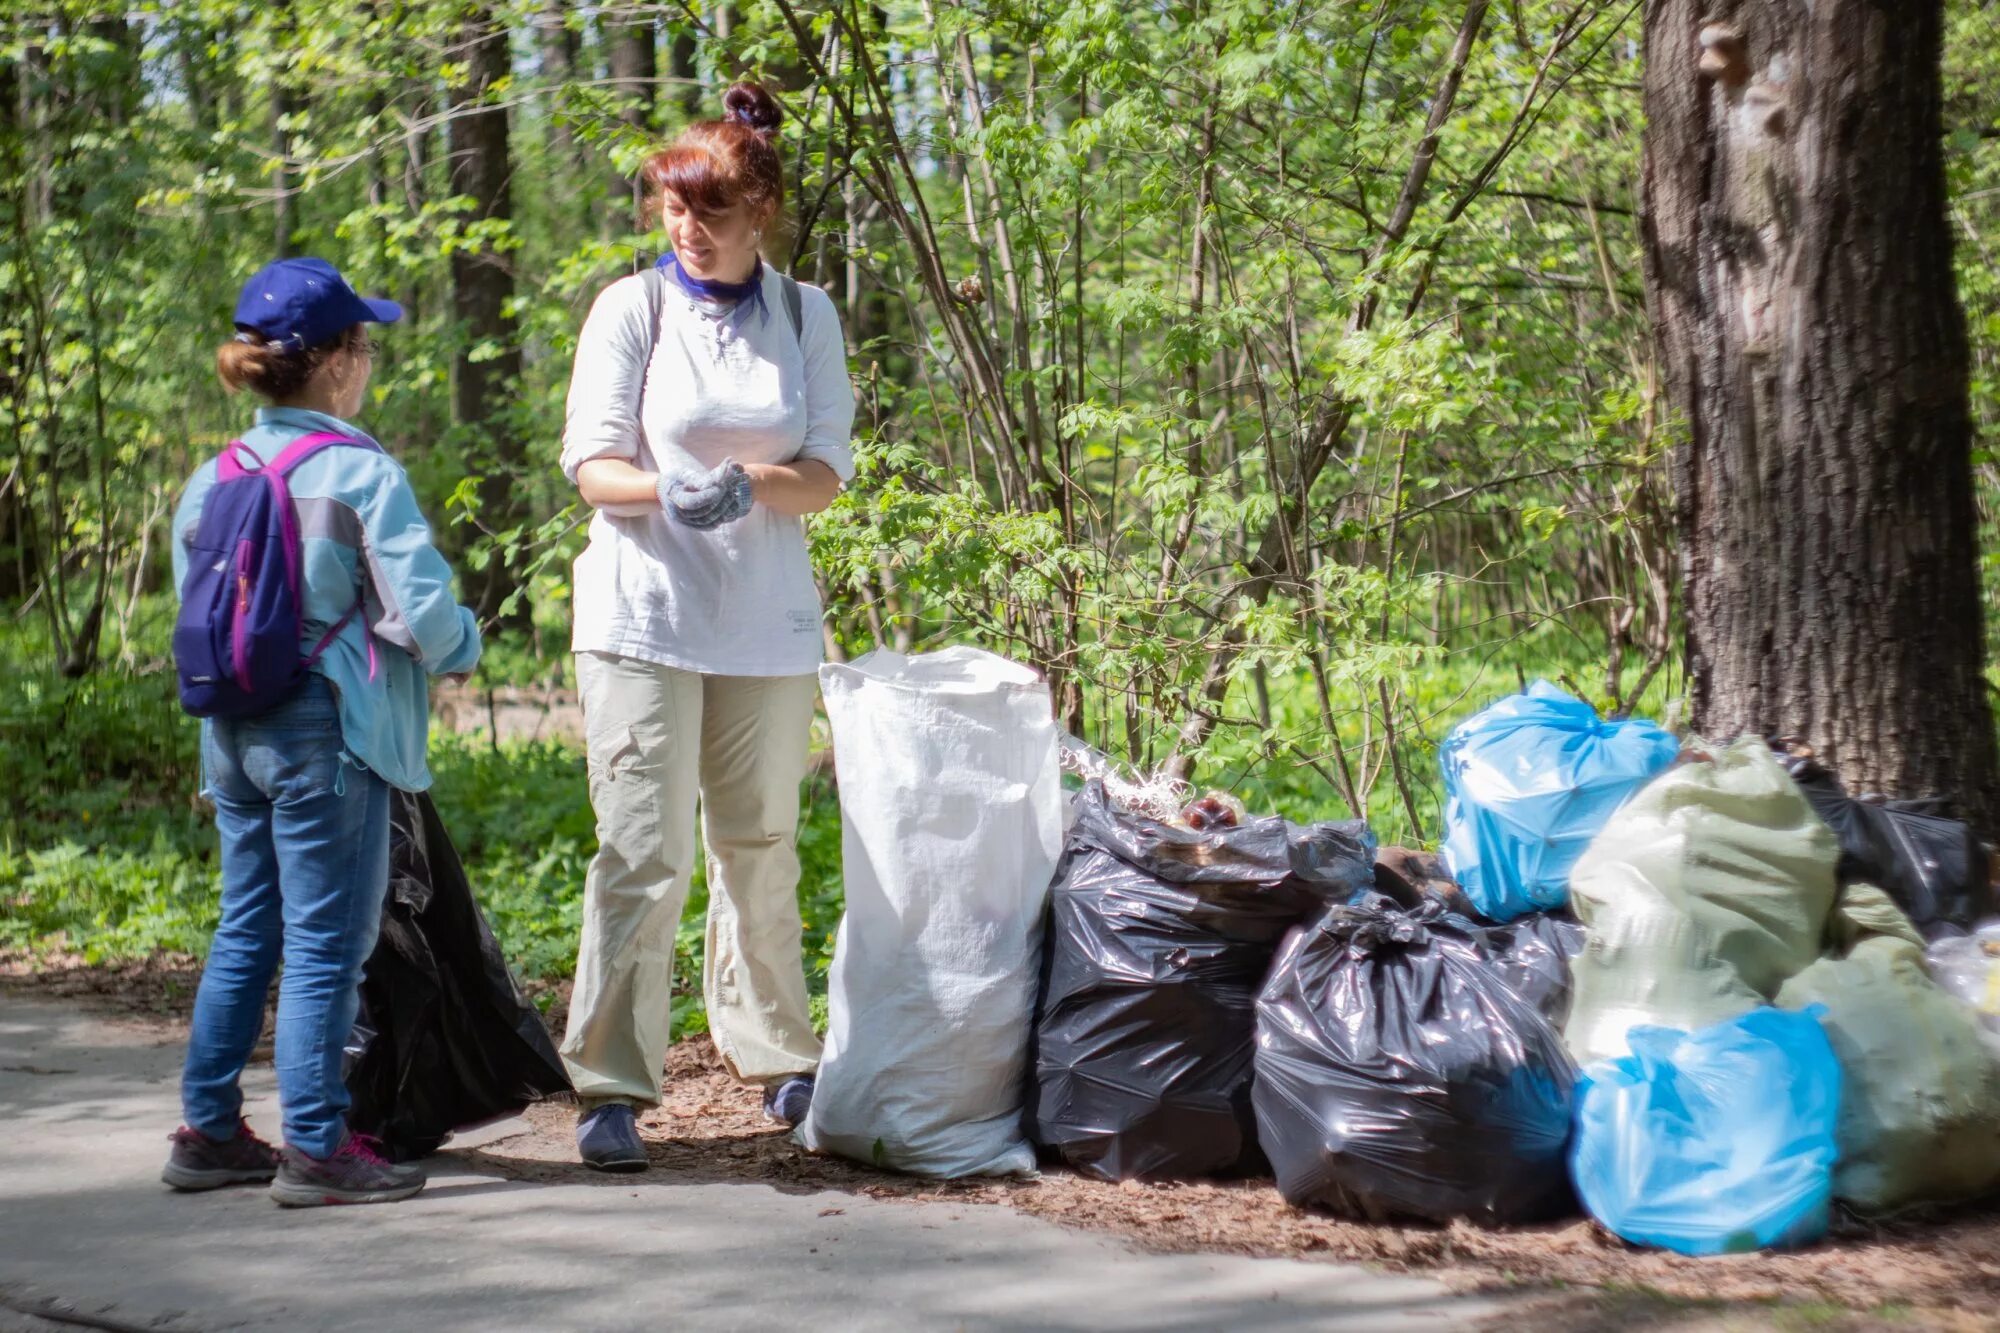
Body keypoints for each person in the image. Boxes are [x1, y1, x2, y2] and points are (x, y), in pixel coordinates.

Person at [557, 80, 856, 1172]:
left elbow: (825, 472)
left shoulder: (803, 314)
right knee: (640, 851)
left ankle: (775, 1052)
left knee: (759, 843)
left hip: (766, 627)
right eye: (672, 206)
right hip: (641, 617)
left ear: (759, 211)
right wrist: (659, 491)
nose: (686, 226)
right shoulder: (629, 309)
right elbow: (589, 462)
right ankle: (609, 1082)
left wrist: (754, 482)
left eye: (710, 208)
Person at [162, 257, 483, 1206]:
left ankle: (208, 1128)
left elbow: (199, 611)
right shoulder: (358, 472)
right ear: (339, 361)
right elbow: (421, 608)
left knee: (246, 928)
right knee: (324, 944)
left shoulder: (210, 476)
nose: (369, 360)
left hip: (231, 727)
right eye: (364, 343)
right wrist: (463, 644)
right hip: (327, 729)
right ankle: (316, 1146)